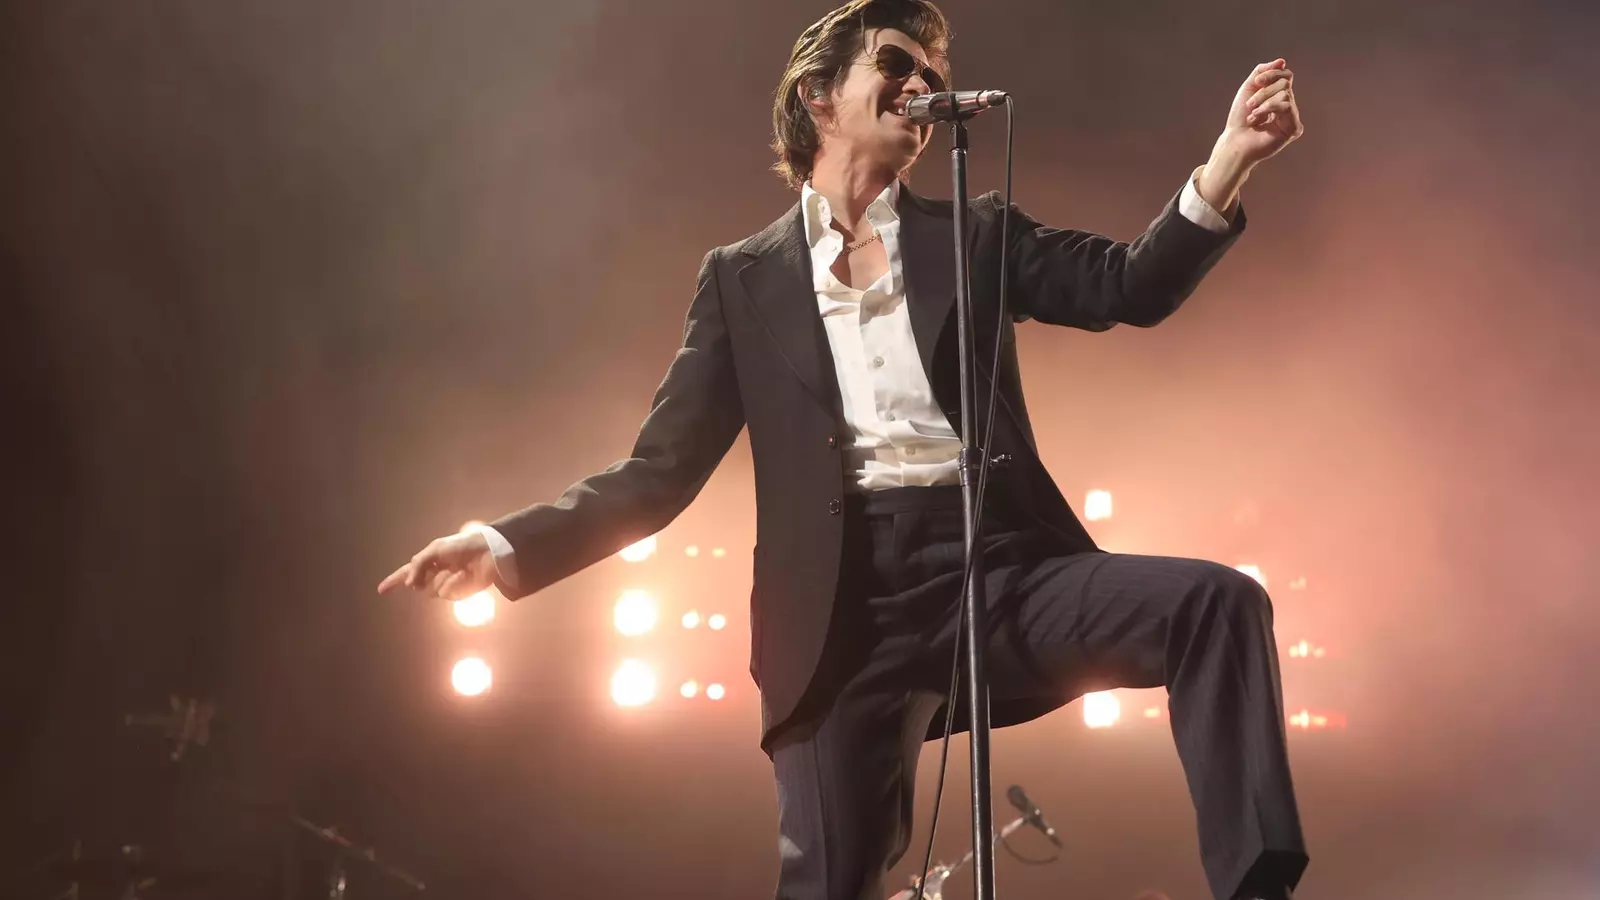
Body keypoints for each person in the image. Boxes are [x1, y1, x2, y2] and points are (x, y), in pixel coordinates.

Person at [378, 2, 1308, 898]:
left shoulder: (976, 232)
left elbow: (1127, 287)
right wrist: (504, 543)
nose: (921, 84)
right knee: (828, 881)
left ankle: (1260, 889)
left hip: (995, 569)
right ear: (818, 96)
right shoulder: (741, 280)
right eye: (896, 63)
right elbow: (658, 474)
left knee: (1217, 603)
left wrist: (1229, 160)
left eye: (933, 72)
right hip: (841, 610)